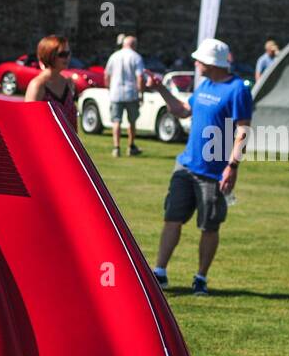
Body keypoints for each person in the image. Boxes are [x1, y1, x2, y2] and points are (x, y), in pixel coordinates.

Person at [148, 38, 252, 296]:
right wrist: (161, 89)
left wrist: (232, 166)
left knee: (209, 226)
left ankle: (201, 278)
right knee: (172, 218)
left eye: (199, 60)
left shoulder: (237, 89)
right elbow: (183, 111)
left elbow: (243, 130)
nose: (195, 63)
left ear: (211, 63)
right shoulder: (205, 84)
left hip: (214, 174)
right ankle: (160, 272)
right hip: (185, 166)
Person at [23, 35, 77, 131]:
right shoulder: (38, 85)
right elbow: (29, 122)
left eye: (68, 53)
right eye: (62, 54)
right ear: (49, 55)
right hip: (45, 143)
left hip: (67, 144)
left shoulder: (69, 83)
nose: (67, 58)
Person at [105, 33, 146, 157]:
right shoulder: (136, 57)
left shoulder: (114, 56)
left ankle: (116, 147)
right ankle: (131, 145)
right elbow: (140, 77)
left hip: (116, 92)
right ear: (134, 45)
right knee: (132, 121)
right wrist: (141, 93)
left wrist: (109, 88)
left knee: (116, 121)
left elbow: (106, 74)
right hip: (131, 93)